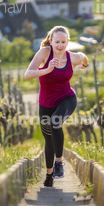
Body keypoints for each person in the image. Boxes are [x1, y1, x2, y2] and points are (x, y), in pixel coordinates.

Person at [24, 26, 89, 187]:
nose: (60, 45)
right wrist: (47, 69)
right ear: (51, 41)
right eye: (57, 42)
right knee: (49, 139)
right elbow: (27, 75)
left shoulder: (72, 57)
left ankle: (59, 163)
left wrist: (84, 65)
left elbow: (84, 56)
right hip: (46, 103)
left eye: (63, 42)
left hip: (67, 98)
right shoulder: (45, 53)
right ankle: (49, 175)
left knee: (55, 122)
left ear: (67, 42)